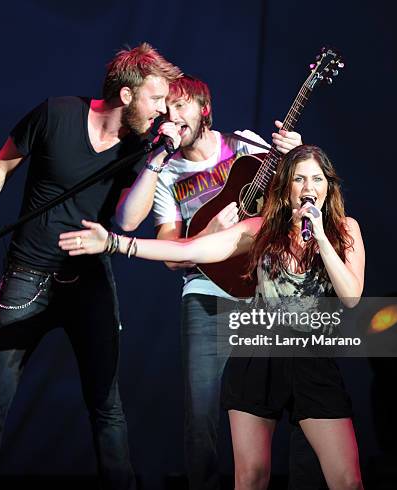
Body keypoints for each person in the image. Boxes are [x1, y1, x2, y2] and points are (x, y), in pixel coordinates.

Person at [0, 43, 181, 488]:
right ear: (126, 95)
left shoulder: (144, 146)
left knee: (106, 405)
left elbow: (128, 221)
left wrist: (159, 158)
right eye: (156, 99)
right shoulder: (55, 115)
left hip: (87, 280)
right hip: (26, 275)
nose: (163, 110)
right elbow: (0, 168)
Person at [59, 144, 366, 490]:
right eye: (299, 178)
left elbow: (351, 297)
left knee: (346, 480)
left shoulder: (344, 230)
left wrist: (321, 237)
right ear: (286, 187)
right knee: (250, 478)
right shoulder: (260, 230)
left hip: (311, 361)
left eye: (316, 178)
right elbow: (188, 250)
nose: (308, 186)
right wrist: (116, 243)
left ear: (328, 186)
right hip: (257, 356)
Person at [115, 75, 316, 490]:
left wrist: (294, 155)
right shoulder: (166, 174)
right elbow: (169, 252)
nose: (174, 115)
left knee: (301, 398)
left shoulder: (243, 145)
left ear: (204, 109)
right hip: (206, 292)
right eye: (167, 108)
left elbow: (297, 197)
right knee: (202, 411)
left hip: (266, 286)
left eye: (182, 106)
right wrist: (206, 237)